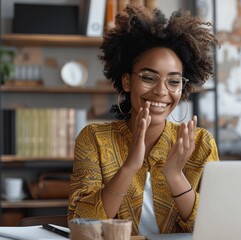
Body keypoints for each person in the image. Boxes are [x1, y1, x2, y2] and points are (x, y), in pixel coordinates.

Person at [68, 3, 220, 235]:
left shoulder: (201, 144)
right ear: (127, 82)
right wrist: (130, 166)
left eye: (174, 81)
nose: (161, 91)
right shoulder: (94, 140)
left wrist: (175, 176)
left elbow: (215, 228)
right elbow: (83, 224)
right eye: (149, 77)